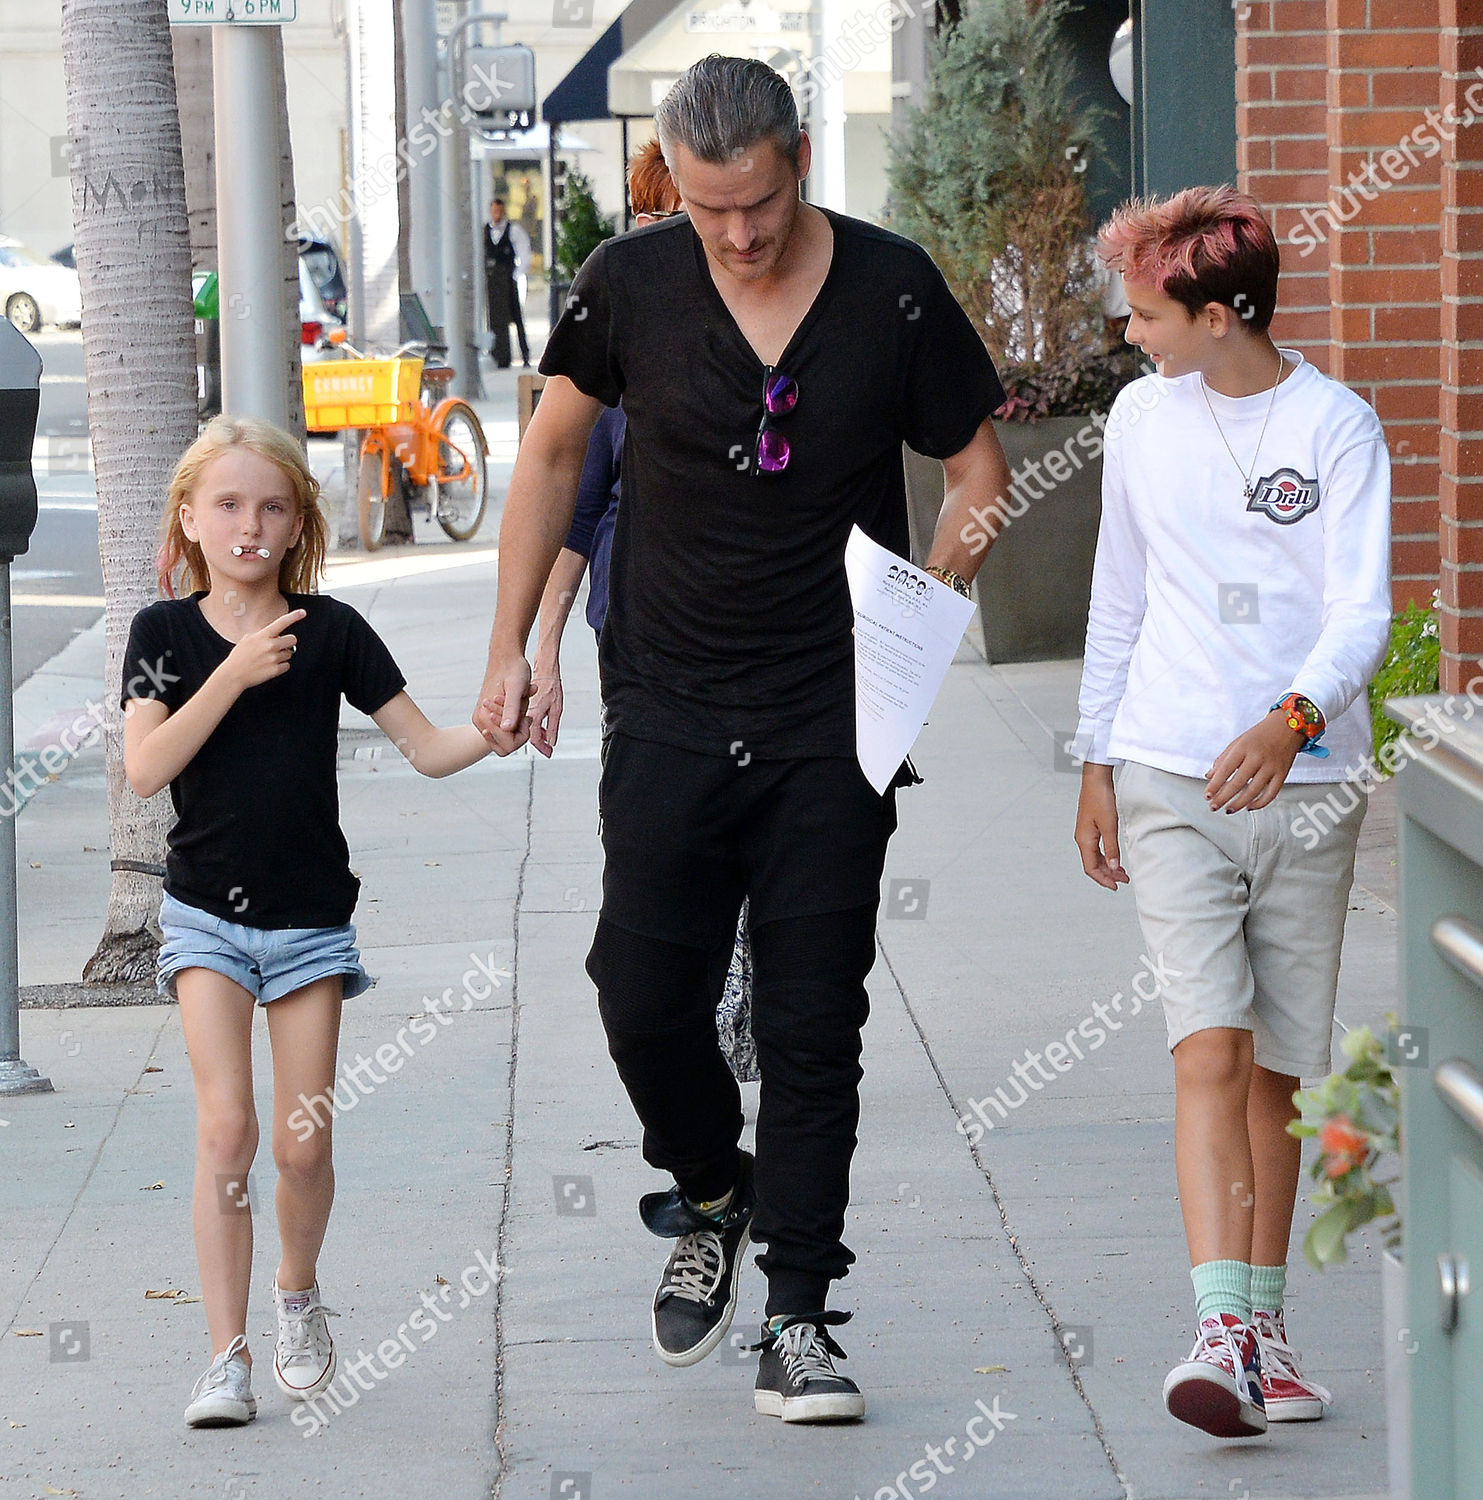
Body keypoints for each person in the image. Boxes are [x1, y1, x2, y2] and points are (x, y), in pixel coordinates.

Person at [474, 55, 1011, 1423]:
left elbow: (978, 476)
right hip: (663, 692)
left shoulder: (889, 287)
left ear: (798, 161)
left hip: (832, 714)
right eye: (710, 210)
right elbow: (547, 459)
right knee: (636, 987)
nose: (737, 234)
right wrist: (509, 652)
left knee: (810, 1012)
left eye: (758, 204)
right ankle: (710, 1184)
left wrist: (927, 606)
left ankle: (797, 1315)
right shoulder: (627, 283)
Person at [1072, 187, 1391, 1438]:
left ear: (1217, 315)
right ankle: (1215, 1329)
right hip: (1166, 774)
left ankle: (1259, 1336)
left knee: (1277, 1076)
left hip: (1306, 788)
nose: (1129, 332)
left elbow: (1360, 610)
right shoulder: (1139, 420)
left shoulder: (1336, 426)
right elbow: (1115, 598)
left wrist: (1290, 720)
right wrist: (1096, 763)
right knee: (1205, 1045)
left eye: (1146, 313)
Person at [122, 416, 491, 1428]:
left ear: (297, 525)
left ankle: (296, 1293)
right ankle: (224, 1356)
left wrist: (496, 729)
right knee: (227, 1133)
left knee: (301, 1147)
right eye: (228, 505)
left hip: (309, 926)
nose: (250, 525)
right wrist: (231, 674)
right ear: (190, 519)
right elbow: (147, 768)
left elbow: (424, 746)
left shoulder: (330, 632)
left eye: (272, 507)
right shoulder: (162, 636)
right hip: (204, 917)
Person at [525, 139, 758, 1084]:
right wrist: (540, 651)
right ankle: (699, 1003)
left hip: (775, 641)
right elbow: (571, 508)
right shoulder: (623, 334)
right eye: (669, 222)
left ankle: (750, 987)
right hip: (642, 640)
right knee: (669, 843)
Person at [485, 196, 531, 368]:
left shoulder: (513, 230)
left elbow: (524, 252)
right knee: (496, 320)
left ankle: (524, 354)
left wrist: (516, 275)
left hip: (507, 280)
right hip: (492, 281)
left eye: (499, 210)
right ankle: (501, 357)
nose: (496, 214)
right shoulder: (485, 231)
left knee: (516, 318)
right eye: (494, 210)